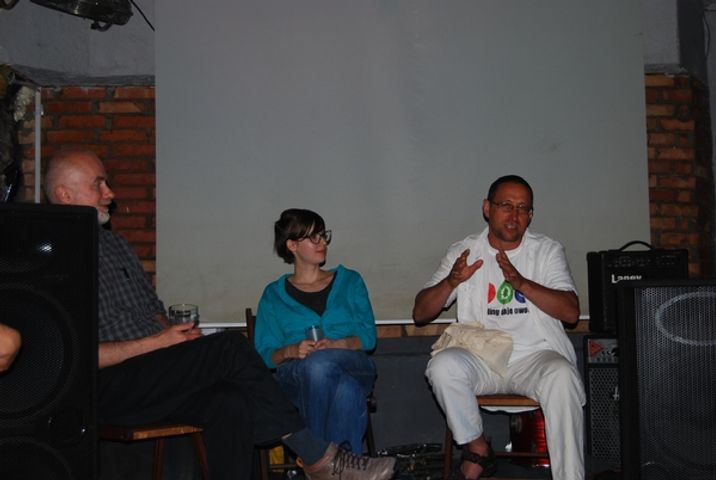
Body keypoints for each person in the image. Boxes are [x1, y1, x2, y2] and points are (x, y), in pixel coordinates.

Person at [44, 149, 396, 480]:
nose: (110, 192)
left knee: (231, 401)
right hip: (105, 385)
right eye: (98, 184)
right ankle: (318, 457)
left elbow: (153, 312)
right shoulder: (52, 257)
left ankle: (316, 457)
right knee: (231, 346)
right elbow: (72, 356)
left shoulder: (116, 245)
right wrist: (158, 343)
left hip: (150, 372)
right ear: (65, 194)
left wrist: (176, 337)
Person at [412, 175, 585, 480]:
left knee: (563, 376)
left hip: (534, 358)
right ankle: (477, 446)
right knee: (442, 367)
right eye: (506, 205)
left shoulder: (546, 251)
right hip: (482, 359)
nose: (514, 215)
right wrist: (451, 281)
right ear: (487, 208)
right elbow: (420, 312)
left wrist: (522, 283)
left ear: (531, 215)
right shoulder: (465, 251)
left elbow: (571, 312)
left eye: (522, 208)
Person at [254, 209, 377, 454]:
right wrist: (291, 350)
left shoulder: (350, 281)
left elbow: (368, 337)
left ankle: (314, 458)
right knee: (346, 391)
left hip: (351, 362)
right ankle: (339, 465)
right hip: (297, 376)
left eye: (322, 235)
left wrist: (336, 345)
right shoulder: (273, 295)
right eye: (312, 237)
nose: (321, 242)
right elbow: (265, 354)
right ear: (292, 245)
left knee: (319, 364)